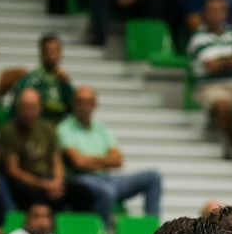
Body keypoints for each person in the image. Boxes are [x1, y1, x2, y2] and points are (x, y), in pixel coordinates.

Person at [58, 85, 161, 224]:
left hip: (107, 177)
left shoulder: (102, 129)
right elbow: (78, 162)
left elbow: (118, 160)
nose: (85, 106)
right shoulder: (64, 128)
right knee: (107, 191)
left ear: (95, 105)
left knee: (153, 177)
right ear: (74, 104)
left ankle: (155, 230)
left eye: (89, 102)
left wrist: (89, 159)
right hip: (80, 180)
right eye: (81, 102)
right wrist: (104, 160)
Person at [187, 0, 232, 156]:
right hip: (208, 87)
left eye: (220, 11)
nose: (216, 15)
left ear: (226, 13)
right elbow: (210, 66)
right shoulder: (197, 38)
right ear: (205, 14)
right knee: (223, 105)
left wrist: (221, 60)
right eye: (212, 11)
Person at [0, 88, 69, 211]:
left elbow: (57, 160)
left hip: (48, 177)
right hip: (25, 181)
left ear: (40, 108)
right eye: (24, 107)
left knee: (74, 191)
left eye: (32, 107)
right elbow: (13, 170)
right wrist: (45, 185)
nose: (28, 112)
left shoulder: (48, 128)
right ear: (17, 108)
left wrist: (57, 182)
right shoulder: (9, 130)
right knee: (32, 194)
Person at [8, 34, 75, 124]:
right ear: (41, 54)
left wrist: (66, 86)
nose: (52, 55)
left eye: (56, 50)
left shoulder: (64, 81)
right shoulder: (30, 80)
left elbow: (74, 109)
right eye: (49, 51)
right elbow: (15, 109)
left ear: (61, 54)